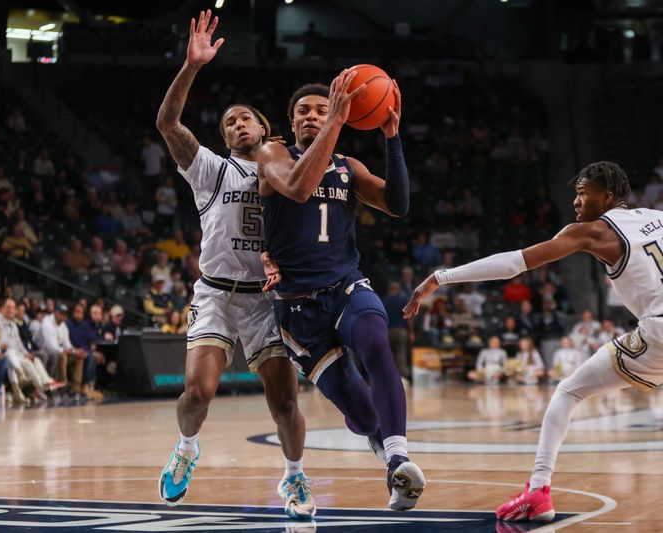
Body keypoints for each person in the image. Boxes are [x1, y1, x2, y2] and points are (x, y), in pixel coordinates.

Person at [403, 161, 659, 523]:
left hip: (659, 330)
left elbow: (515, 263)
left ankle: (538, 491)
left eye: (583, 194)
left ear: (608, 197)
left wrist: (442, 276)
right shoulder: (657, 216)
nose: (575, 201)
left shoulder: (593, 232)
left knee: (568, 392)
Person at [154, 10, 315, 519]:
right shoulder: (210, 169)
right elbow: (167, 123)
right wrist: (192, 67)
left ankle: (294, 478)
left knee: (285, 403)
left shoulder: (286, 166)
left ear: (264, 127)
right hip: (218, 295)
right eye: (228, 121)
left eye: (245, 117)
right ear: (223, 137)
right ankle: (185, 449)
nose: (237, 123)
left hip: (268, 301)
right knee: (198, 393)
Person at [257, 71, 424, 510]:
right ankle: (378, 441)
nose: (312, 116)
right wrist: (335, 123)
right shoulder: (272, 154)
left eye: (322, 110)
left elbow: (398, 205)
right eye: (303, 112)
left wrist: (392, 136)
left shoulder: (350, 167)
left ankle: (399, 461)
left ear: (341, 117)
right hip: (298, 310)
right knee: (364, 415)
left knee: (376, 344)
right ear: (291, 122)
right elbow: (298, 188)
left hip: (346, 285)